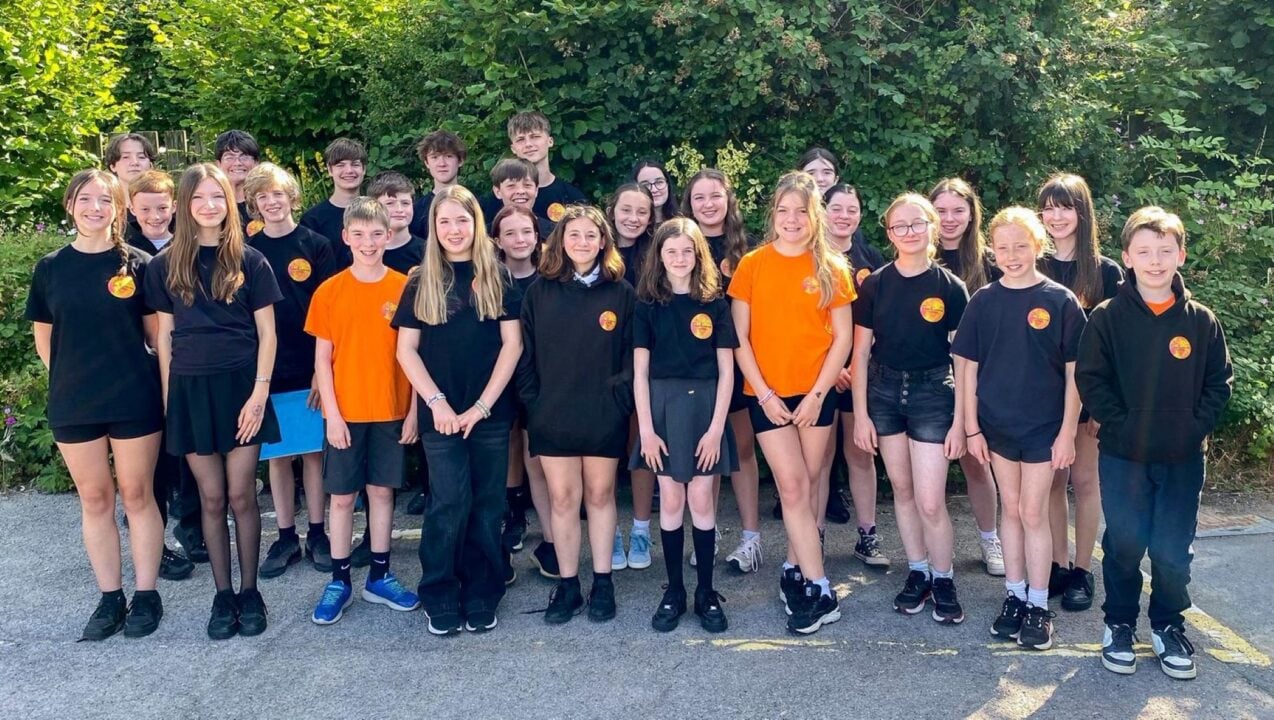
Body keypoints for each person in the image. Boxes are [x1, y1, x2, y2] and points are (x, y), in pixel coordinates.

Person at [1077, 206, 1231, 680]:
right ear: (1127, 257)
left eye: (1165, 251)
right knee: (1124, 542)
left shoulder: (1201, 321)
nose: (1156, 260)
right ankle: (1119, 624)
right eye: (1145, 251)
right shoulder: (1106, 317)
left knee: (1170, 550)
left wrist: (1191, 429)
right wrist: (1119, 424)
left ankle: (1167, 625)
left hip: (1182, 457)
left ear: (1181, 255)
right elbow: (1092, 379)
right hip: (1124, 455)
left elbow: (1219, 384)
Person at [144, 163, 282, 640]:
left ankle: (250, 592)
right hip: (190, 388)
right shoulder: (164, 266)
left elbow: (268, 333)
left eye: (217, 196)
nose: (209, 205)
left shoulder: (251, 260)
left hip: (243, 387)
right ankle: (221, 595)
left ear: (229, 202)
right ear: (184, 204)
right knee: (211, 496)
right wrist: (169, 399)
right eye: (199, 197)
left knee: (243, 494)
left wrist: (260, 393)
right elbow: (165, 337)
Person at [27, 170, 166, 639]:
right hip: (75, 400)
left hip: (133, 396)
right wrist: (71, 380)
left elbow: (156, 337)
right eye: (86, 199)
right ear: (70, 206)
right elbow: (46, 341)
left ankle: (147, 595)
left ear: (118, 208)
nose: (95, 208)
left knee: (137, 494)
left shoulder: (139, 264)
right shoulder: (50, 268)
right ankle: (111, 598)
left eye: (105, 200)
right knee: (95, 498)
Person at [729, 172, 854, 634]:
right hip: (767, 396)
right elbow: (739, 337)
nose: (792, 219)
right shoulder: (753, 266)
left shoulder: (831, 267)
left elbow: (843, 337)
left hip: (815, 395)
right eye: (783, 210)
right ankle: (821, 590)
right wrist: (763, 392)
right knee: (794, 488)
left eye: (801, 210)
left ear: (814, 215)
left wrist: (818, 393)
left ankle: (794, 567)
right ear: (773, 215)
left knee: (808, 483)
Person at [955, 207, 1086, 651]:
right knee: (1009, 510)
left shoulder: (1060, 300)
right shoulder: (984, 301)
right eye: (1004, 247)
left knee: (1033, 512)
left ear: (1038, 246)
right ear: (992, 249)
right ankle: (1014, 595)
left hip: (1044, 429)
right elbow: (967, 368)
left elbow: (1075, 374)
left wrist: (1068, 432)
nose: (1012, 255)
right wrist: (971, 428)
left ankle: (1038, 603)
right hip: (996, 426)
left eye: (1021, 246)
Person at [395, 186, 523, 634]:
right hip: (440, 414)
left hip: (489, 413)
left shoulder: (499, 277)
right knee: (448, 502)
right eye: (445, 221)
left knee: (488, 504)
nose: (454, 229)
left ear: (476, 224)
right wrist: (437, 403)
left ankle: (483, 589)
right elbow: (407, 350)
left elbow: (513, 345)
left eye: (462, 220)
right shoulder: (420, 280)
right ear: (433, 227)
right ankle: (440, 590)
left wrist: (483, 406)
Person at [852, 193, 969, 625]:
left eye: (917, 224)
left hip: (933, 394)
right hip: (883, 394)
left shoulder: (950, 287)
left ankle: (944, 577)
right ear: (889, 233)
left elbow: (964, 359)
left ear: (931, 227)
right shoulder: (875, 284)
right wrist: (861, 414)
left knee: (931, 500)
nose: (909, 232)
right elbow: (860, 353)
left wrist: (963, 420)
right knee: (901, 491)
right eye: (900, 226)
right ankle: (917, 570)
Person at [305, 198, 421, 625]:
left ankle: (380, 575)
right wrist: (332, 415)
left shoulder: (403, 287)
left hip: (390, 410)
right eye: (359, 234)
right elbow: (322, 361)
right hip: (347, 414)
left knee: (382, 493)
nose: (369, 242)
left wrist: (412, 413)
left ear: (389, 236)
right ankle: (339, 580)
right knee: (341, 499)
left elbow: (413, 355)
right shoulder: (330, 291)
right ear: (346, 238)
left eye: (377, 234)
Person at [517, 205, 635, 624]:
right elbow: (524, 356)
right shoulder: (539, 292)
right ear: (560, 242)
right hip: (552, 415)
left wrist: (619, 403)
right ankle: (568, 586)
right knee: (563, 499)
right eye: (574, 235)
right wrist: (535, 402)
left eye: (590, 235)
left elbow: (630, 358)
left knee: (600, 497)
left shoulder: (621, 293)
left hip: (604, 416)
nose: (582, 242)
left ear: (603, 242)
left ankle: (602, 582)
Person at [633, 217, 738, 633]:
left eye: (687, 251)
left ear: (699, 256)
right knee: (671, 500)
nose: (679, 258)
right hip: (660, 408)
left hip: (705, 408)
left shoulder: (714, 303)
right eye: (671, 251)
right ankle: (674, 590)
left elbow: (727, 372)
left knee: (701, 500)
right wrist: (646, 429)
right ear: (659, 257)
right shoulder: (647, 306)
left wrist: (715, 430)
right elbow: (640, 372)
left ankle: (705, 592)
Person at [242, 163, 339, 578]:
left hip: (309, 363)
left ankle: (317, 532)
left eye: (277, 194)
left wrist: (324, 370)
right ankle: (285, 536)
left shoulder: (315, 244)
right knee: (278, 458)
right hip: (266, 367)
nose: (271, 202)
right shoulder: (246, 251)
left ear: (292, 196)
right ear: (254, 204)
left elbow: (332, 311)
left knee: (313, 453)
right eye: (262, 197)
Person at [1038, 172, 1125, 611]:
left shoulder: (1107, 272)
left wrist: (1103, 404)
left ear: (1082, 212)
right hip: (1041, 398)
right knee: (1051, 482)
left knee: (1085, 480)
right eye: (1048, 207)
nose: (1055, 216)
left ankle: (1082, 571)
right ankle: (1055, 563)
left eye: (1064, 206)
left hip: (1089, 399)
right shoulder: (1033, 263)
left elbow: (1119, 344)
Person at [126, 170, 204, 576]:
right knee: (152, 462)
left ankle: (192, 526)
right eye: (145, 209)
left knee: (191, 450)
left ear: (175, 206)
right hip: (141, 372)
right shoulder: (124, 254)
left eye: (161, 207)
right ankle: (156, 544)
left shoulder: (190, 245)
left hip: (187, 363)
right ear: (131, 209)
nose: (154, 216)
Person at [682, 168, 760, 573]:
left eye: (715, 196)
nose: (708, 204)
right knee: (705, 455)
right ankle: (705, 537)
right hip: (696, 369)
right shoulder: (679, 244)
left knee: (743, 449)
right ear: (688, 203)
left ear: (729, 200)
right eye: (699, 198)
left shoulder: (750, 250)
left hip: (741, 362)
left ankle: (750, 539)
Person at [928, 177, 1005, 576]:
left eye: (958, 210)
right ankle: (929, 550)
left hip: (981, 380)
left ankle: (990, 538)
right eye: (940, 211)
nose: (949, 219)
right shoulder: (918, 256)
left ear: (972, 214)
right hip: (929, 378)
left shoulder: (991, 262)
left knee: (978, 464)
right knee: (929, 469)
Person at [817, 183, 889, 567]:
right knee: (821, 457)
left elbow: (881, 321)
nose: (844, 215)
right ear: (822, 211)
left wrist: (852, 366)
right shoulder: (808, 256)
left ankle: (867, 535)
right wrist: (831, 367)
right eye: (837, 208)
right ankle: (815, 538)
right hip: (818, 376)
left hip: (860, 374)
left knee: (861, 454)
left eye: (852, 209)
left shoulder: (871, 258)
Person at [491, 205, 559, 579]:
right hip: (497, 383)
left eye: (526, 232)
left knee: (538, 461)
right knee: (500, 456)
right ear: (497, 240)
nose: (519, 240)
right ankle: (499, 539)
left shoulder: (550, 281)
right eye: (511, 233)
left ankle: (551, 541)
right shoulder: (488, 281)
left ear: (537, 237)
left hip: (540, 384)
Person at [606, 182, 657, 571]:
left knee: (641, 448)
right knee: (606, 452)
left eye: (641, 211)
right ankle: (609, 534)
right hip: (602, 366)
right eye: (626, 210)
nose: (633, 218)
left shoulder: (657, 253)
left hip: (646, 366)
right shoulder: (595, 248)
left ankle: (641, 528)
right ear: (613, 210)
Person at [506, 110, 586, 222]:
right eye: (520, 139)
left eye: (535, 136)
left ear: (550, 141)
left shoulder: (572, 197)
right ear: (513, 148)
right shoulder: (501, 198)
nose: (528, 144)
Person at [300, 137, 368, 247]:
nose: (349, 171)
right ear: (330, 170)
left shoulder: (378, 213)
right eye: (340, 165)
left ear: (364, 169)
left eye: (355, 164)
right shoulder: (312, 220)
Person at [409, 130, 466, 238]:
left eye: (449, 156)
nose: (442, 164)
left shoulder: (477, 204)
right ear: (426, 163)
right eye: (434, 157)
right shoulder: (416, 211)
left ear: (460, 160)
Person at [368, 171, 426, 274]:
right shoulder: (364, 252)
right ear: (373, 207)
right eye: (390, 203)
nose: (399, 209)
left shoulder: (427, 252)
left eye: (405, 203)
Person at [488, 158, 555, 237]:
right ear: (498, 192)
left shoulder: (554, 233)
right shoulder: (485, 236)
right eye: (511, 186)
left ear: (536, 190)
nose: (520, 191)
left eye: (527, 185)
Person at [213, 130, 260, 232]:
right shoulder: (212, 206)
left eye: (244, 157)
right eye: (229, 157)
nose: (237, 163)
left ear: (256, 163)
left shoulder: (265, 203)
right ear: (218, 164)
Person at [631, 158, 679, 224]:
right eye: (646, 185)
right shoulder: (631, 226)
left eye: (659, 182)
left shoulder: (681, 224)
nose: (654, 189)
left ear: (667, 184)